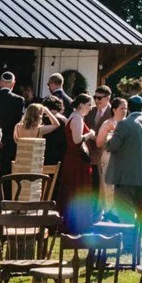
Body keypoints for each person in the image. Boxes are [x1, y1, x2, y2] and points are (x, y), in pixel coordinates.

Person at [104, 95, 142, 216]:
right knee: (139, 212)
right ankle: (136, 235)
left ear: (128, 108)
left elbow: (111, 146)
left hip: (124, 177)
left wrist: (109, 137)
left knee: (124, 212)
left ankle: (128, 235)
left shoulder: (123, 124)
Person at [57, 92, 100, 233]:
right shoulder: (77, 119)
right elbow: (76, 140)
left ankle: (75, 223)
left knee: (75, 190)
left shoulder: (77, 117)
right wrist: (90, 134)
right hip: (76, 160)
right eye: (89, 105)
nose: (90, 108)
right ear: (81, 105)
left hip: (75, 159)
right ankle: (75, 225)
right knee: (76, 191)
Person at [0, 71, 26, 185]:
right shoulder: (19, 100)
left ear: (0, 83)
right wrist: (6, 140)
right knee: (7, 174)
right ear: (13, 84)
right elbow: (19, 123)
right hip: (10, 142)